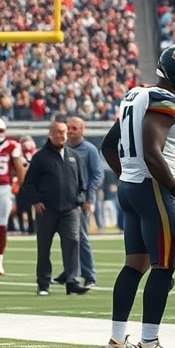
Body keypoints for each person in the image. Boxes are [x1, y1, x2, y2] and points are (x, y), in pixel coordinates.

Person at [99, 44, 175, 348]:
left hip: (133, 188)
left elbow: (109, 146)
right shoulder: (164, 99)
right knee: (164, 264)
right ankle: (149, 343)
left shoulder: (136, 95)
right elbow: (152, 151)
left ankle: (117, 340)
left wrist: (128, 177)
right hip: (154, 189)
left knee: (134, 265)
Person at [23, 119, 89, 296]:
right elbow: (29, 183)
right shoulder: (40, 157)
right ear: (50, 134)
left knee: (73, 244)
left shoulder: (74, 156)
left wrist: (80, 200)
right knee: (44, 247)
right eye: (59, 132)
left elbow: (82, 183)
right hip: (47, 210)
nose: (62, 135)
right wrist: (36, 201)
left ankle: (72, 282)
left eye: (64, 132)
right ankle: (43, 284)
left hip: (70, 210)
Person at [65, 116, 104, 288]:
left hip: (81, 201)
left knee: (81, 238)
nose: (70, 131)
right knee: (68, 239)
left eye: (74, 128)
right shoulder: (63, 149)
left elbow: (97, 174)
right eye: (69, 128)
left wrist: (89, 197)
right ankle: (71, 272)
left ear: (82, 130)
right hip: (64, 200)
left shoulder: (90, 150)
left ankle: (90, 276)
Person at [0, 118, 26, 275]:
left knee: (2, 226)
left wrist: (18, 185)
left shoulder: (12, 145)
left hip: (4, 188)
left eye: (0, 130)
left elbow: (19, 167)